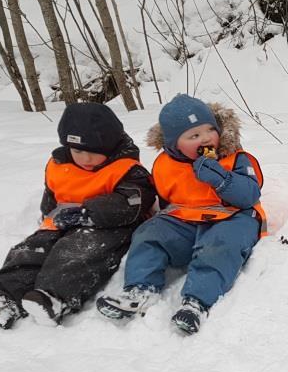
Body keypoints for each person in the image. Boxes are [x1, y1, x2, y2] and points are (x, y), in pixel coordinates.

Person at [0, 103, 154, 328]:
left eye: (93, 153)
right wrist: (50, 219)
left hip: (107, 227)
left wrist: (88, 213)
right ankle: (2, 300)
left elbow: (131, 204)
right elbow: (51, 195)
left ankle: (55, 298)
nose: (85, 159)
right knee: (29, 251)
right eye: (78, 151)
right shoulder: (59, 165)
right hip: (62, 222)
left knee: (75, 253)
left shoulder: (127, 170)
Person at [95, 94, 266, 335]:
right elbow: (166, 200)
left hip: (232, 217)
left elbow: (249, 195)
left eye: (209, 130)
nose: (206, 138)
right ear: (175, 144)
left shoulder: (235, 157)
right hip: (185, 219)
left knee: (218, 246)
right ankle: (139, 289)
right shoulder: (165, 164)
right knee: (149, 234)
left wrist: (219, 177)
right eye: (194, 136)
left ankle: (197, 301)